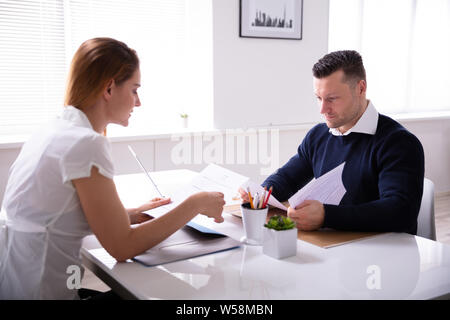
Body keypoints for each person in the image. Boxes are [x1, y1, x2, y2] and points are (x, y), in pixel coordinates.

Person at [0, 38, 225, 300]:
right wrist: (193, 205)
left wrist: (129, 214)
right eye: (134, 90)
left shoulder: (56, 129)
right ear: (109, 88)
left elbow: (56, 215)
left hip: (17, 286)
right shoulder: (85, 143)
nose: (138, 102)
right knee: (176, 295)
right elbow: (122, 247)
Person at [241, 50, 424, 234]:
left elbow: (400, 212)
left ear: (361, 88)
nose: (322, 109)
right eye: (319, 98)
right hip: (333, 245)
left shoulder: (399, 143)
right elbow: (287, 178)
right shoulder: (318, 135)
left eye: (332, 99)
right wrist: (261, 195)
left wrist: (326, 216)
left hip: (383, 252)